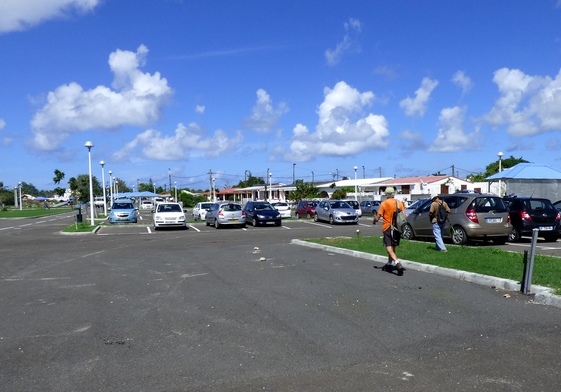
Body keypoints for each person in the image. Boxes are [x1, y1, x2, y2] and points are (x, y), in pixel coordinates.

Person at [373, 187, 407, 275]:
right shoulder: (399, 203)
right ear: (393, 193)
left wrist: (375, 220)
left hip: (387, 227)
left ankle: (397, 262)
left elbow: (378, 216)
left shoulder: (384, 203)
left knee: (388, 247)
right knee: (393, 247)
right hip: (397, 228)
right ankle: (389, 264)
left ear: (386, 194)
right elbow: (404, 216)